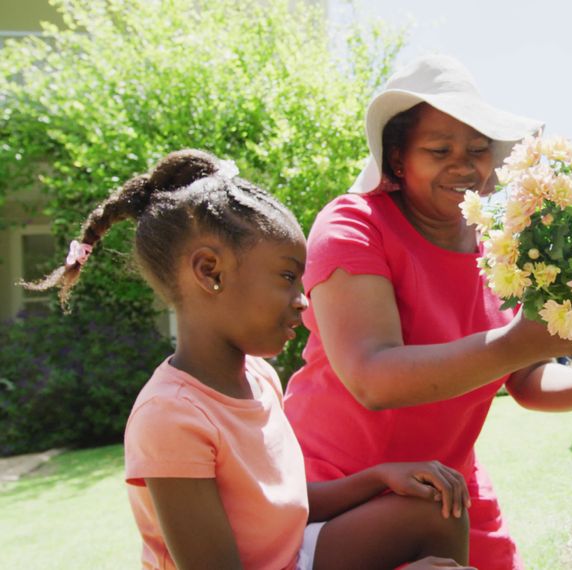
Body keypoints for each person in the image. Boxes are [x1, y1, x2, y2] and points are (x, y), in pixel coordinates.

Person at [282, 55, 572, 570]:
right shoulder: (353, 226)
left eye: (477, 150)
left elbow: (522, 378)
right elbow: (373, 378)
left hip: (448, 488)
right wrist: (525, 341)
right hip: (340, 493)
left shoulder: (501, 246)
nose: (464, 165)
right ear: (397, 158)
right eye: (439, 150)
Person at [22, 149, 475, 570]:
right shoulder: (171, 418)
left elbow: (285, 505)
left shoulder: (257, 376)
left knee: (435, 505)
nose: (302, 301)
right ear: (210, 271)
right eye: (286, 277)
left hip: (291, 556)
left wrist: (378, 477)